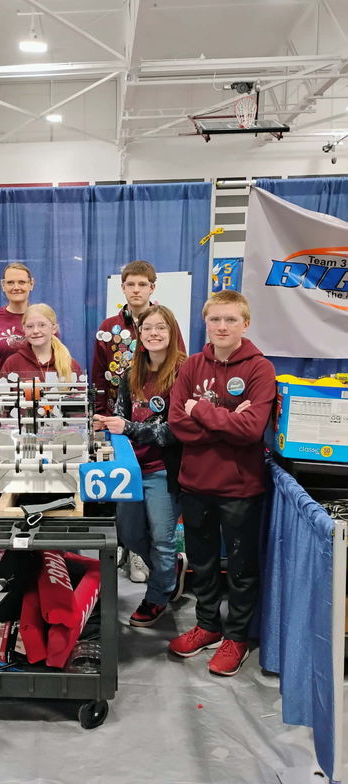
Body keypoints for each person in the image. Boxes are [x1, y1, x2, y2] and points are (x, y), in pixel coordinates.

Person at [167, 289, 276, 677]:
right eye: (215, 319)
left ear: (245, 324)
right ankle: (208, 625)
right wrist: (224, 422)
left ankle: (237, 637)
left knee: (242, 568)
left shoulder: (260, 369)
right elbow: (178, 424)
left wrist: (203, 411)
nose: (222, 326)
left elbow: (251, 432)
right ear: (205, 323)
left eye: (230, 319)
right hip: (195, 483)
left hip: (240, 488)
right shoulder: (192, 365)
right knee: (202, 563)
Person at [94, 305, 188, 627]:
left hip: (164, 470)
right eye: (148, 328)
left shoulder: (182, 373)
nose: (154, 333)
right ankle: (172, 568)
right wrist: (107, 424)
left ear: (172, 332)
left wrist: (128, 428)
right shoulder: (131, 373)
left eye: (161, 327)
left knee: (162, 539)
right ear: (139, 334)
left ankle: (158, 595)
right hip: (132, 470)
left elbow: (174, 430)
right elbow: (122, 415)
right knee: (130, 534)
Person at [0, 303, 82, 380]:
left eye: (42, 325)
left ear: (54, 329)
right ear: (24, 329)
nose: (35, 331)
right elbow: (2, 394)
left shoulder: (70, 364)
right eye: (30, 326)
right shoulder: (12, 363)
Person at [0, 262, 34, 370]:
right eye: (10, 283)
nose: (16, 287)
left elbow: (57, 357)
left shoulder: (43, 318)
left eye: (22, 282)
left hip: (37, 386)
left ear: (31, 284)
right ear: (3, 285)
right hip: (2, 385)